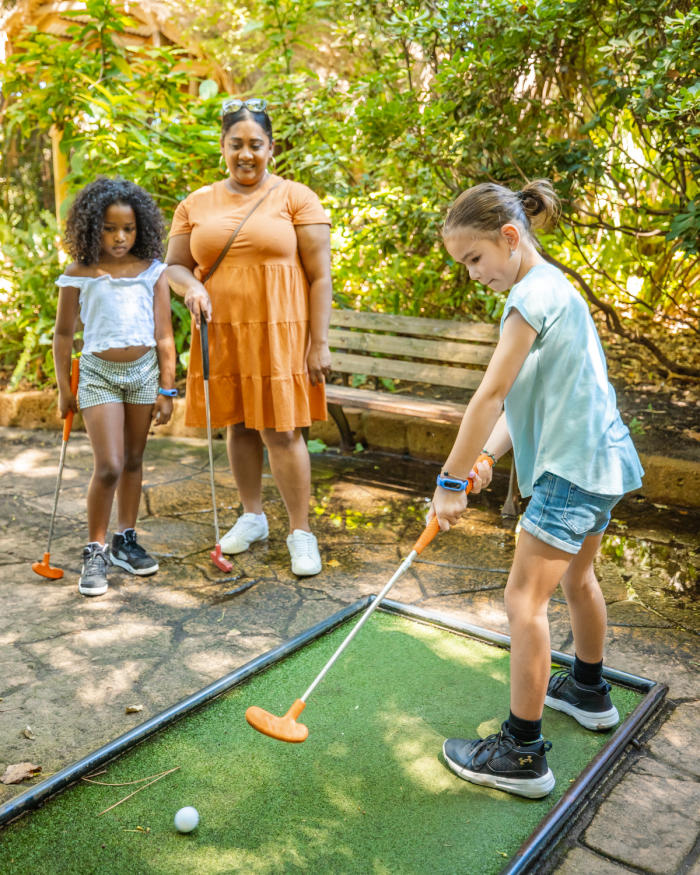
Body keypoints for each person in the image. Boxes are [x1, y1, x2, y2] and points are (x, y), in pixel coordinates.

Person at [429, 179, 644, 799]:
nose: (473, 274)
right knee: (577, 579)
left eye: (474, 259)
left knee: (523, 603)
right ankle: (587, 689)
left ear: (510, 237)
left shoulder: (528, 298)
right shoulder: (554, 290)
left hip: (571, 473)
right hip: (603, 462)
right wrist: (488, 457)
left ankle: (523, 753)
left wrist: (448, 481)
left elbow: (489, 393)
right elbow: (524, 397)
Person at [165, 97, 332, 577]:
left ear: (270, 148)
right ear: (222, 148)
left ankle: (301, 532)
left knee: (281, 429)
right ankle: (253, 516)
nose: (245, 154)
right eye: (235, 144)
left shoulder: (296, 197)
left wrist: (317, 342)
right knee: (238, 423)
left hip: (281, 332)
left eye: (255, 145)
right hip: (223, 330)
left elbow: (320, 277)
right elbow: (175, 266)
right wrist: (191, 285)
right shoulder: (195, 203)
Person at [53, 177, 176, 597]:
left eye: (128, 228)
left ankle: (126, 539)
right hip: (98, 374)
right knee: (109, 465)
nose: (120, 237)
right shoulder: (78, 274)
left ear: (140, 228)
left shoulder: (152, 272)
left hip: (143, 373)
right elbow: (64, 335)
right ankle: (95, 550)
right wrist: (62, 389)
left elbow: (164, 335)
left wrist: (167, 386)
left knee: (135, 459)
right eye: (109, 228)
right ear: (91, 227)